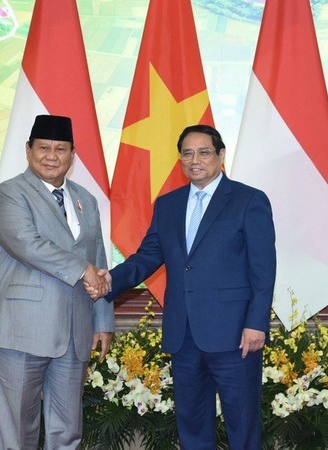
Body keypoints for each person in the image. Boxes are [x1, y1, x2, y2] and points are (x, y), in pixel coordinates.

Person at [88, 124, 276, 450]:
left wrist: (256, 323)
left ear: (221, 156)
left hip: (236, 337)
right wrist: (110, 282)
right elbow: (147, 257)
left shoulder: (249, 200)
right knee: (191, 425)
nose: (195, 160)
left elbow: (263, 270)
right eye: (187, 153)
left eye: (203, 152)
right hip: (184, 336)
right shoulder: (168, 204)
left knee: (242, 427)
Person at [0, 114, 114, 450]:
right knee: (16, 432)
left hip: (74, 331)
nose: (51, 156)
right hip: (22, 329)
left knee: (67, 431)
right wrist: (83, 269)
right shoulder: (9, 194)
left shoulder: (86, 199)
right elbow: (27, 244)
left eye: (60, 148)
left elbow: (98, 259)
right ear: (28, 150)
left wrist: (102, 320)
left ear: (72, 155)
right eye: (43, 148)